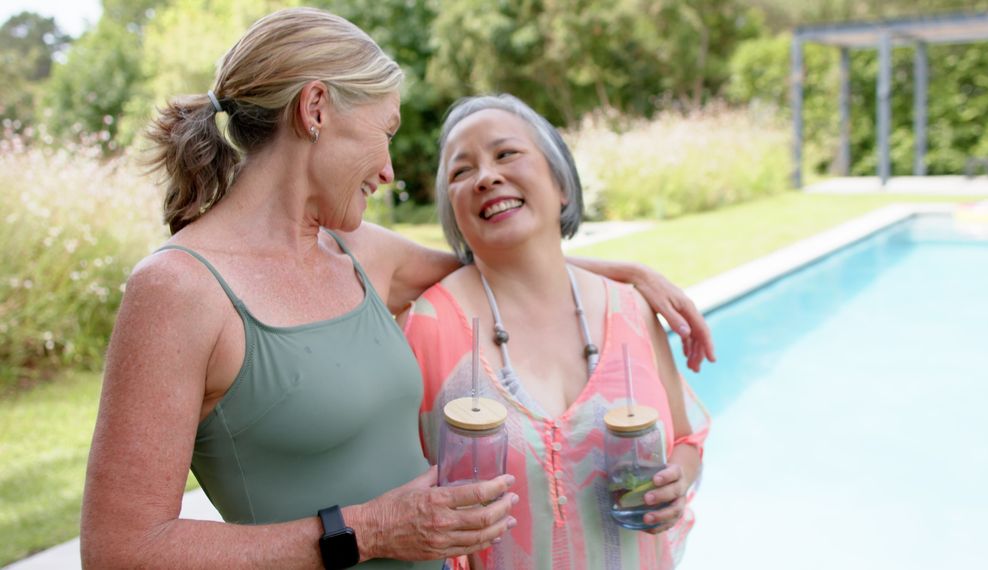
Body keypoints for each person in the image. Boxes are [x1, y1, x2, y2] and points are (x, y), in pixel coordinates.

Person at [80, 8, 713, 569]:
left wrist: (625, 274)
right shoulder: (177, 290)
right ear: (316, 109)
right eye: (385, 132)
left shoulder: (358, 252)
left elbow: (507, 266)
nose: (388, 169)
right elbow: (120, 550)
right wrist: (369, 532)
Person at [402, 94, 710, 570]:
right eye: (461, 172)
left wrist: (677, 480)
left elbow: (687, 439)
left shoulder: (631, 308)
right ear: (453, 211)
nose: (486, 176)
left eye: (506, 154)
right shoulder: (427, 326)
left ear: (560, 184)